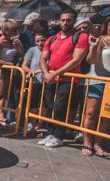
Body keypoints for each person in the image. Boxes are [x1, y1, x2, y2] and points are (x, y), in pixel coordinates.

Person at [38, 9, 89, 148]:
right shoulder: (51, 38)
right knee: (49, 106)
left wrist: (55, 73)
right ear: (59, 21)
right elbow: (43, 58)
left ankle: (59, 136)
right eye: (63, 20)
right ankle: (50, 133)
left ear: (74, 21)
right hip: (51, 78)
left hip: (68, 79)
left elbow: (76, 60)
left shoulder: (81, 36)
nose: (65, 23)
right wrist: (47, 73)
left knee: (60, 107)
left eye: (69, 20)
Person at [82, 16, 110, 156]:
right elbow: (91, 60)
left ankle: (98, 143)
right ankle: (87, 142)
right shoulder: (100, 40)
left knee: (105, 116)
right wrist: (93, 48)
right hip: (96, 81)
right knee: (90, 114)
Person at [0, 19, 23, 128]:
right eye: (13, 31)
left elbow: (21, 53)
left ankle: (1, 115)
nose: (15, 33)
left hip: (12, 71)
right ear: (6, 31)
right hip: (1, 71)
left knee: (4, 95)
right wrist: (9, 64)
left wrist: (18, 46)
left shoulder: (13, 42)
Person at [21, 33, 47, 136]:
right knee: (33, 104)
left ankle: (39, 126)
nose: (40, 43)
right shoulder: (32, 50)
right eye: (38, 41)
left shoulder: (50, 50)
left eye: (42, 40)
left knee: (44, 105)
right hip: (34, 81)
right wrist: (30, 71)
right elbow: (24, 65)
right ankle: (32, 124)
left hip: (47, 82)